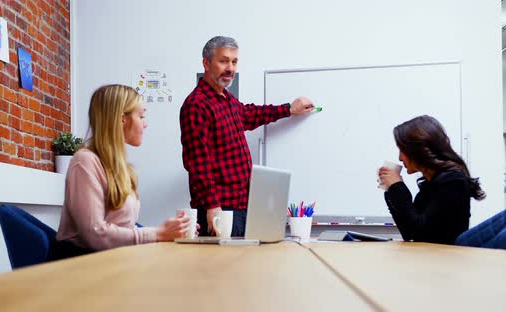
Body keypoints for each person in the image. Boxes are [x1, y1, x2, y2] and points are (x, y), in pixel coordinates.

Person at [180, 36, 315, 237]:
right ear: (206, 63)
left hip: (242, 206)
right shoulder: (197, 105)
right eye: (223, 61)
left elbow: (250, 115)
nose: (230, 68)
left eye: (234, 62)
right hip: (220, 210)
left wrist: (288, 109)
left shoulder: (226, 99)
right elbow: (199, 163)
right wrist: (212, 207)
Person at [55, 84, 196, 259]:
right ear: (122, 119)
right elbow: (94, 233)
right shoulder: (84, 161)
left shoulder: (121, 168)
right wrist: (158, 233)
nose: (145, 123)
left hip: (113, 259)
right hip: (82, 264)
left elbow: (123, 228)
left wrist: (171, 231)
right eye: (141, 115)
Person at [378, 115, 486, 244]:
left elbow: (420, 232)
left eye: (402, 150)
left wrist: (398, 187)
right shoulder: (431, 184)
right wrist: (391, 189)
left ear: (417, 150)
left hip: (444, 261)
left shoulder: (453, 181)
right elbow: (408, 232)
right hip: (432, 258)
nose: (400, 158)